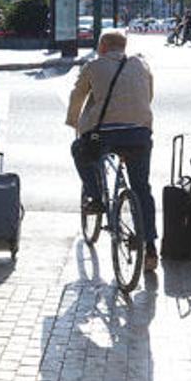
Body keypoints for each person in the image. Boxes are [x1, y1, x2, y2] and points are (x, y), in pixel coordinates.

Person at [66, 29, 159, 272]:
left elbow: (77, 96)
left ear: (103, 46)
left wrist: (74, 122)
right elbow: (148, 95)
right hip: (139, 132)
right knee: (142, 188)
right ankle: (150, 249)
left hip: (105, 134)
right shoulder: (141, 65)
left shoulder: (93, 66)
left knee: (80, 150)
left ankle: (96, 198)